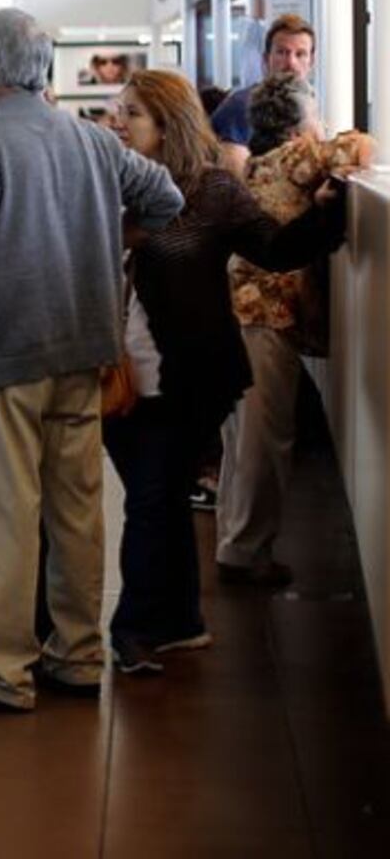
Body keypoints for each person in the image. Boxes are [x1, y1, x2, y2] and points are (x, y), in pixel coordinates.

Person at [0, 8, 184, 712]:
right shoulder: (90, 141)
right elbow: (167, 199)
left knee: (2, 517)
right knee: (76, 511)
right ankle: (78, 658)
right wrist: (107, 243)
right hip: (83, 350)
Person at [106, 69, 347, 673]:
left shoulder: (212, 190)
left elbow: (275, 249)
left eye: (131, 113)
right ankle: (180, 622)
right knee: (154, 497)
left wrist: (327, 213)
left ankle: (135, 630)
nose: (118, 123)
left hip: (190, 375)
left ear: (169, 124)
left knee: (153, 499)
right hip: (119, 376)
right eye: (117, 111)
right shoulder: (107, 185)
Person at [219, 73, 374, 586]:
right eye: (316, 116)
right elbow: (358, 147)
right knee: (265, 439)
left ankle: (236, 543)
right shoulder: (293, 158)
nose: (321, 126)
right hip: (264, 313)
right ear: (298, 126)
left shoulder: (262, 165)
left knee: (243, 442)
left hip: (241, 310)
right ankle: (246, 554)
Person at [211, 14, 316, 176]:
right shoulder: (241, 105)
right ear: (266, 59)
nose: (291, 63)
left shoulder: (308, 105)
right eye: (282, 52)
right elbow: (240, 181)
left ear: (311, 62)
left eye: (300, 54)